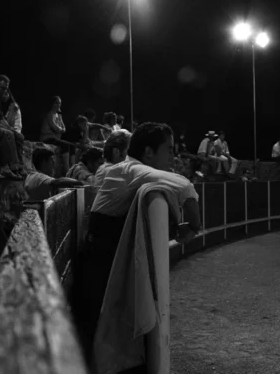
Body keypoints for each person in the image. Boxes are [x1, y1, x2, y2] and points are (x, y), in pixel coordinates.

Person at [76, 122, 201, 368]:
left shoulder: (128, 170)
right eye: (168, 150)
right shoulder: (130, 170)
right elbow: (185, 186)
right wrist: (194, 226)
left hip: (104, 258)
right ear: (148, 153)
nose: (173, 156)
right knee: (101, 337)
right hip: (100, 264)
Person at [40, 96, 75, 172]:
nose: (58, 104)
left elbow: (64, 128)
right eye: (56, 103)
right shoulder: (50, 114)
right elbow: (54, 127)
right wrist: (60, 130)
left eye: (59, 103)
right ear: (52, 104)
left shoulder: (59, 115)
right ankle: (67, 169)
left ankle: (73, 168)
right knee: (65, 145)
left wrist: (60, 130)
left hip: (55, 137)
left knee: (72, 145)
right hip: (47, 138)